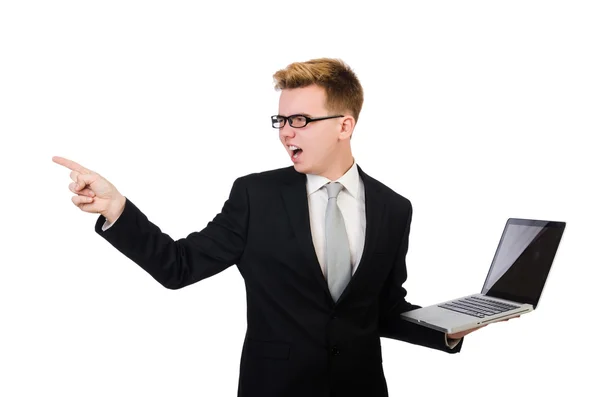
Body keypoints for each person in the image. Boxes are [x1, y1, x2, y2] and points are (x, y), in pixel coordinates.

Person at [53, 58, 487, 397]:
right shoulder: (254, 197)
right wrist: (117, 209)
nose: (285, 132)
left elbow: (382, 310)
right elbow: (178, 267)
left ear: (344, 125)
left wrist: (446, 329)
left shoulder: (394, 208)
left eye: (300, 120)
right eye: (281, 120)